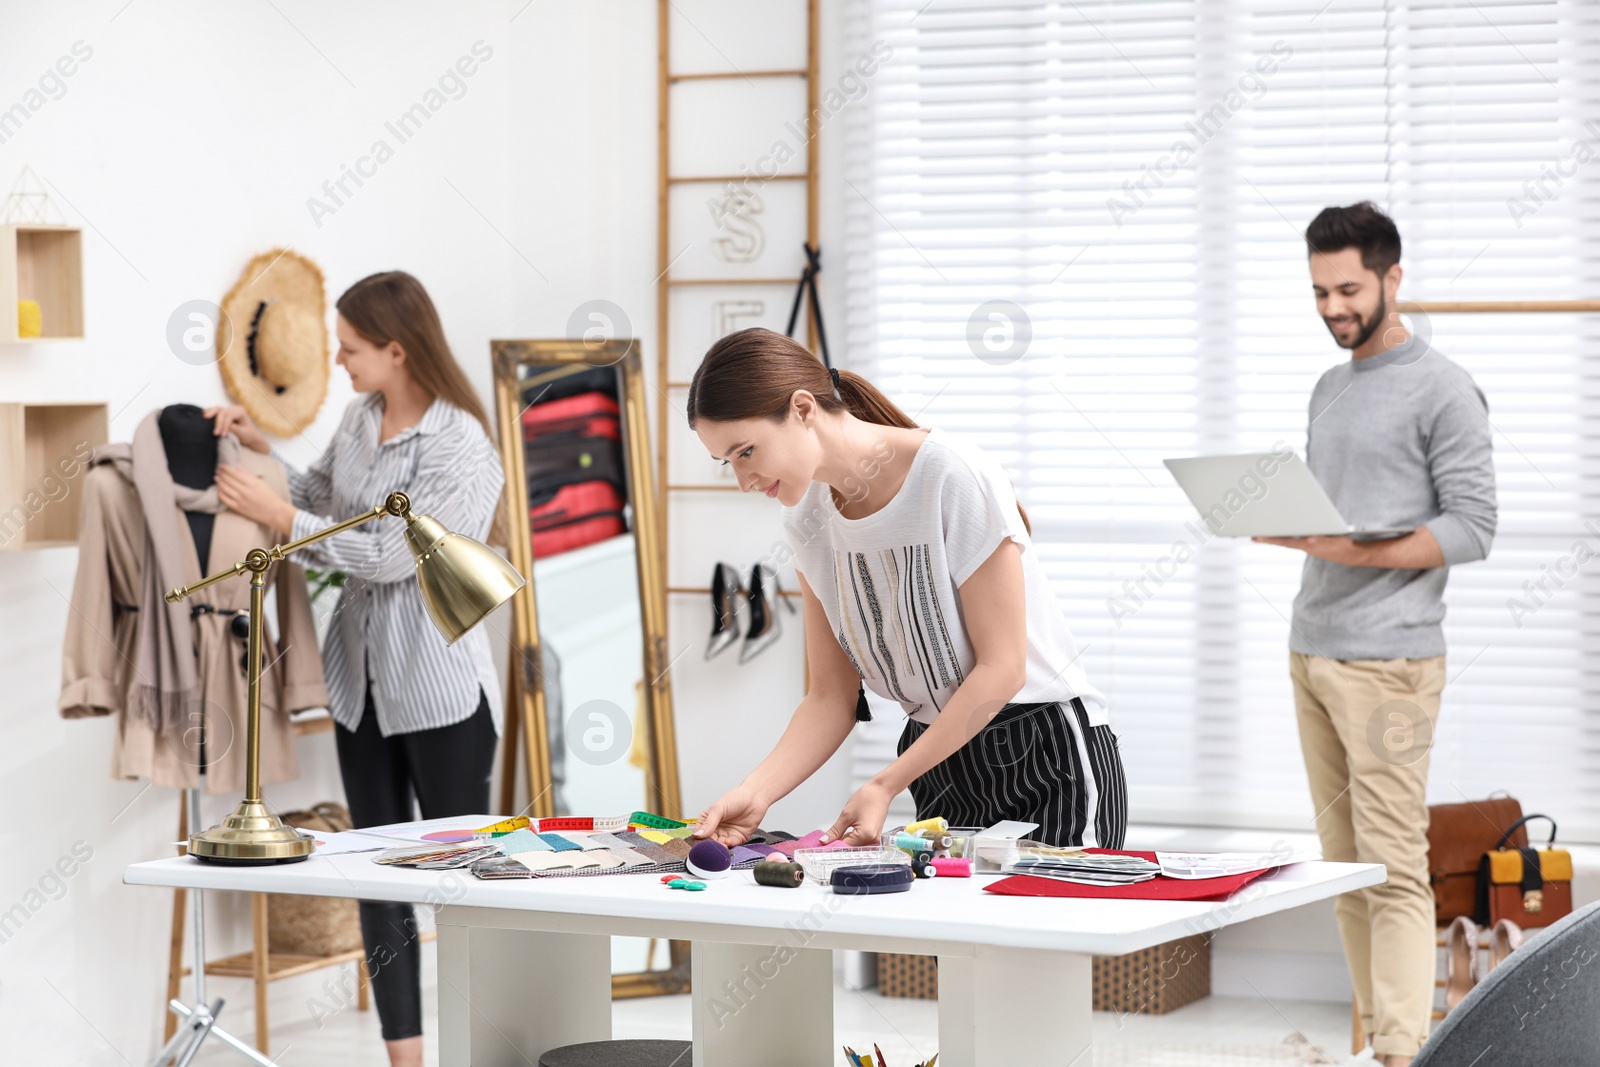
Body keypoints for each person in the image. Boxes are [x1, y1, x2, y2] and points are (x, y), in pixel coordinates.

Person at [208, 271, 505, 1067]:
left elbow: (387, 553)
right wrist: (268, 460)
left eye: (350, 348)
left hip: (441, 693)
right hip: (360, 684)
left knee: (462, 881)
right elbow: (325, 500)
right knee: (378, 876)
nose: (339, 361)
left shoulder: (461, 444)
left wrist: (282, 517)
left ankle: (480, 1045)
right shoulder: (359, 416)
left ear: (397, 350)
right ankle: (403, 1057)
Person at [688, 328, 1126, 851]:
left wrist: (885, 783)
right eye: (728, 462)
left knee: (1046, 928)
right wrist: (754, 793)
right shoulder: (807, 522)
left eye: (745, 452)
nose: (744, 480)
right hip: (935, 756)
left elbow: (1002, 669)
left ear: (803, 409)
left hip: (1044, 754)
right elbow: (831, 696)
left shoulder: (950, 475)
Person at [1254, 203, 1497, 1067]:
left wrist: (1349, 546)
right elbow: (1338, 512)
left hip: (1391, 660)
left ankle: (1406, 1053)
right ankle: (1377, 1043)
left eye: (1348, 288)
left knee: (1393, 866)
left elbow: (1473, 526)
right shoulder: (1330, 386)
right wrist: (1292, 525)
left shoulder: (1444, 387)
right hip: (1311, 649)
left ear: (1394, 279)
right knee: (1343, 867)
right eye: (1319, 291)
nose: (1332, 307)